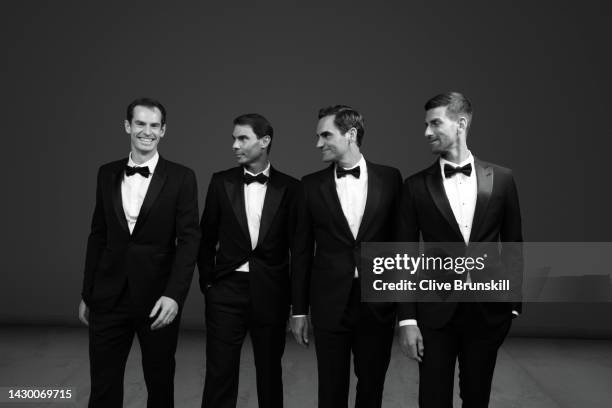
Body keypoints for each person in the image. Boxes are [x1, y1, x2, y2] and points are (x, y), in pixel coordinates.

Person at [398, 92, 523, 407]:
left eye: (435, 123)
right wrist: (407, 320)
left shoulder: (503, 179)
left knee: (477, 397)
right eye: (426, 124)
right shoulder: (414, 186)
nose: (427, 132)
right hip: (435, 312)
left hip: (487, 311)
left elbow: (513, 243)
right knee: (432, 398)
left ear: (461, 123)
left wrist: (512, 306)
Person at [78, 97, 201, 407]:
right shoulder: (106, 173)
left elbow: (189, 241)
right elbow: (98, 235)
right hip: (108, 296)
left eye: (154, 126)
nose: (147, 131)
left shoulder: (182, 177)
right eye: (140, 124)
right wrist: (87, 292)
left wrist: (174, 295)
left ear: (163, 131)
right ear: (127, 126)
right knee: (103, 386)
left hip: (157, 299)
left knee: (160, 386)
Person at [291, 105, 402, 408]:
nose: (318, 143)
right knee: (330, 389)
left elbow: (400, 244)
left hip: (378, 302)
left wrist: (406, 312)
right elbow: (301, 252)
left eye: (325, 135)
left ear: (351, 134)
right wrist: (299, 310)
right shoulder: (309, 185)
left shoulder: (391, 179)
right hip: (329, 303)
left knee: (372, 388)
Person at [198, 113, 298, 408]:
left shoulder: (291, 188)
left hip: (271, 291)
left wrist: (294, 302)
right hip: (226, 289)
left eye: (243, 138)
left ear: (264, 141)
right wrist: (208, 282)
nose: (234, 145)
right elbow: (205, 238)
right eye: (234, 138)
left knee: (270, 371)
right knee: (219, 371)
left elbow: (299, 249)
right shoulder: (220, 182)